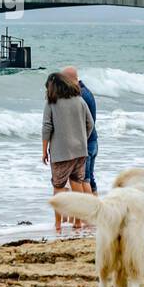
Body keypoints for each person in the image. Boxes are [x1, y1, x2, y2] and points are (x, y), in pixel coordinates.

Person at [42, 71, 94, 232]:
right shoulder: (79, 100)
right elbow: (90, 123)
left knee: (58, 187)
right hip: (80, 151)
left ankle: (58, 224)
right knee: (77, 183)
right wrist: (82, 140)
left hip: (61, 153)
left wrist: (44, 151)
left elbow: (47, 128)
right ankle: (78, 222)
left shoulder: (52, 103)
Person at [61, 66, 98, 194]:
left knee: (83, 181)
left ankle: (86, 213)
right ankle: (97, 213)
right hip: (93, 141)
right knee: (90, 181)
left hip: (86, 144)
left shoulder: (80, 95)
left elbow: (88, 123)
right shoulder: (86, 91)